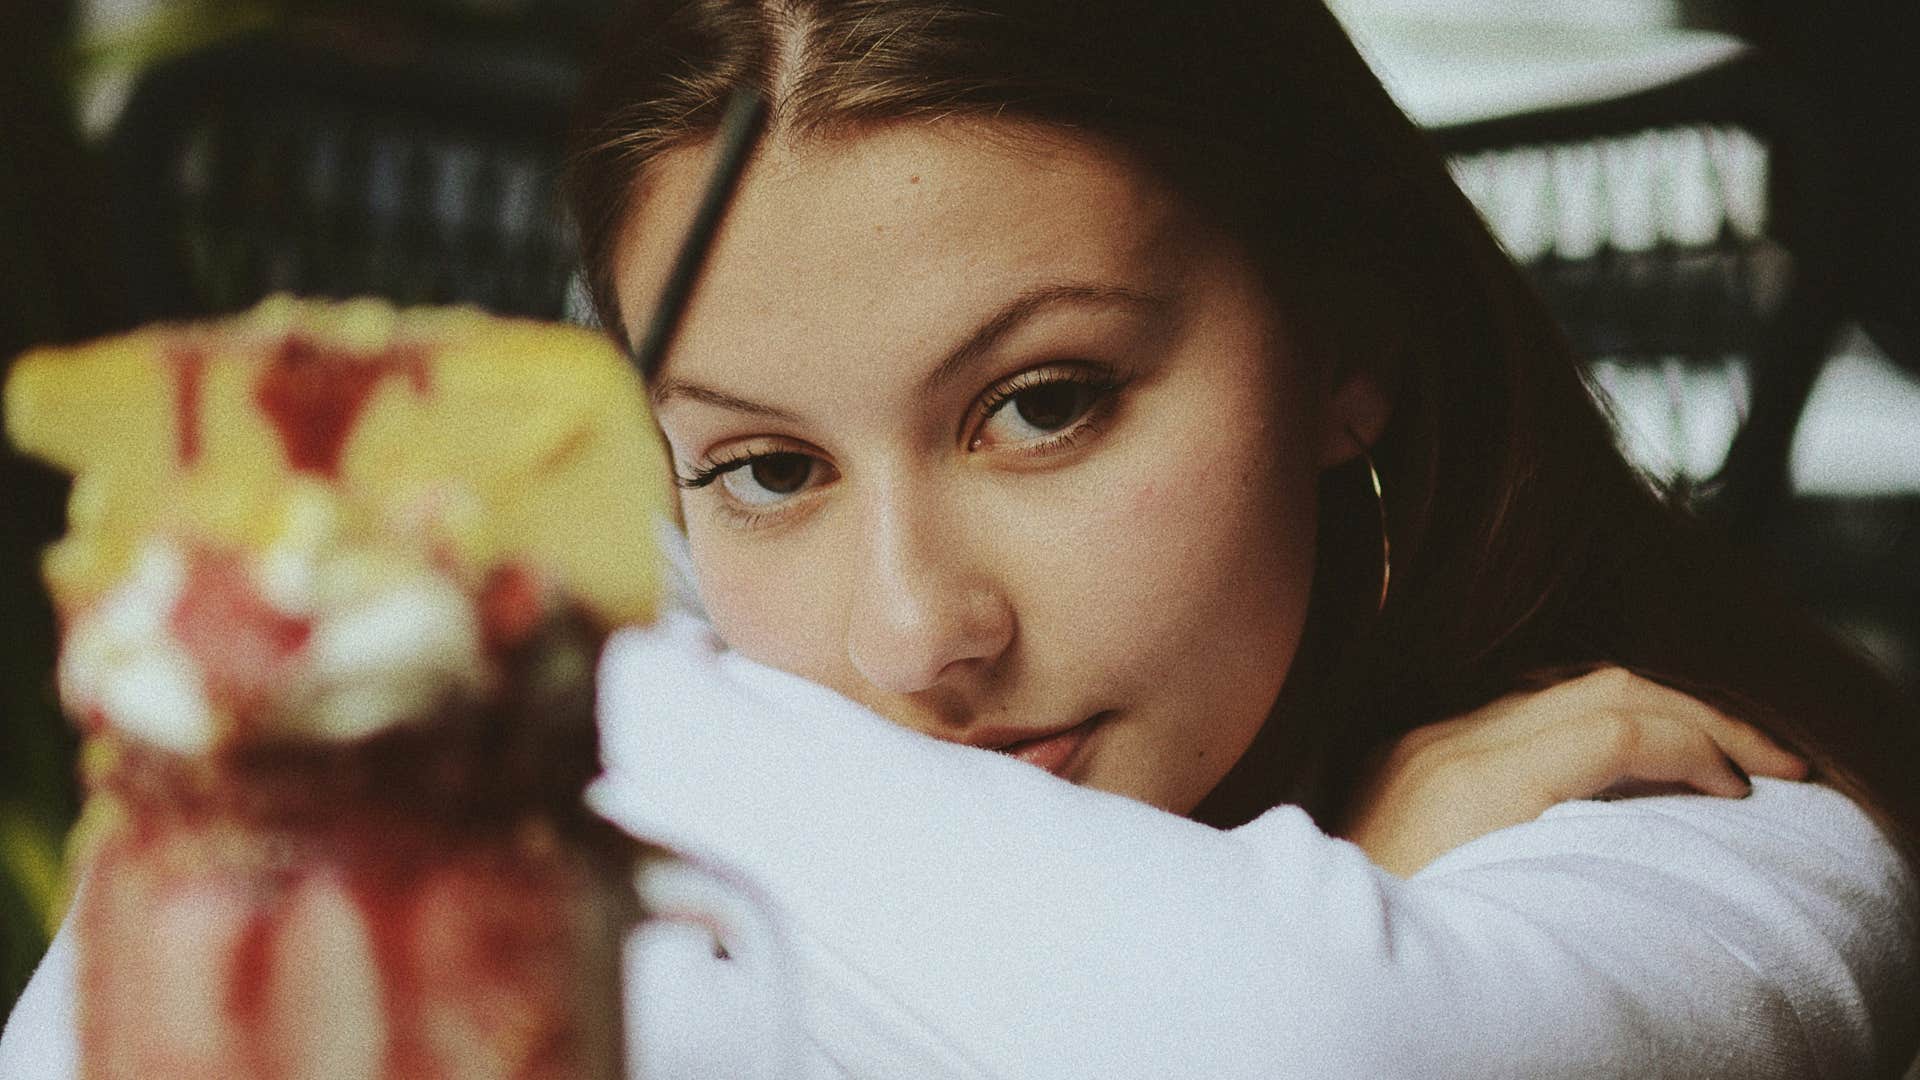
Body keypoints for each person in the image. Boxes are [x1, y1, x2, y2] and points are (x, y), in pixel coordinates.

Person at [3, 1, 1916, 1077]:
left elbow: (1330, 1056)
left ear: (1348, 345)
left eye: (1046, 403)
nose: (918, 635)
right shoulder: (692, 672)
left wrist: (428, 675)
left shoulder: (1709, 826)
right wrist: (1320, 878)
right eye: (765, 468)